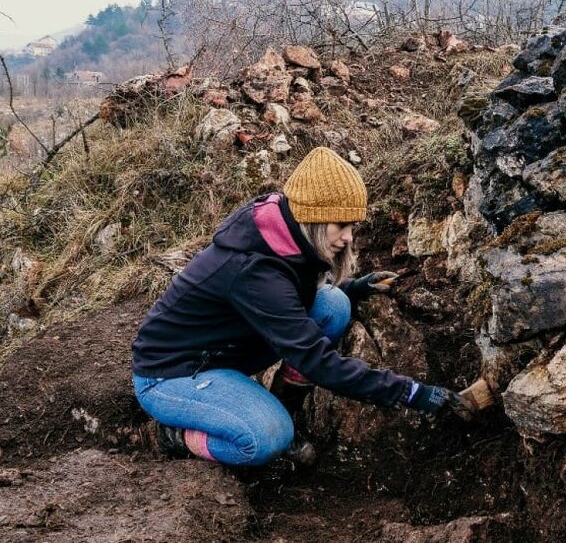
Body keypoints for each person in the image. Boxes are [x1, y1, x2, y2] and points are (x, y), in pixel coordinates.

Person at [131, 146, 470, 466]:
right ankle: (173, 435)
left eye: (353, 226)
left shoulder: (288, 230)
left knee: (334, 304)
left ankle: (285, 408)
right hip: (172, 374)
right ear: (316, 219)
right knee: (265, 438)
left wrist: (354, 288)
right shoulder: (254, 270)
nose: (349, 237)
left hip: (225, 351)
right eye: (342, 226)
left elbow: (292, 298)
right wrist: (412, 393)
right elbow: (316, 360)